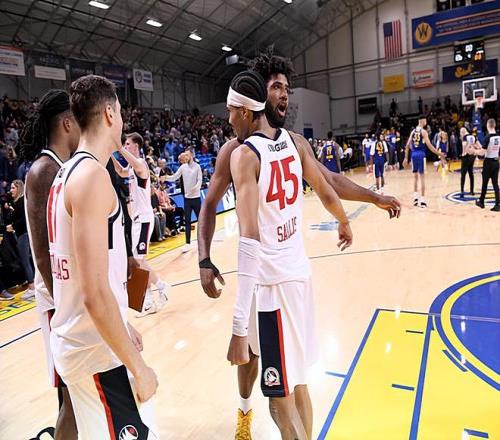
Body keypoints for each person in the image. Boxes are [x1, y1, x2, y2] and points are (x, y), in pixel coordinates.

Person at [197, 51, 401, 439]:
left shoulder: (290, 144)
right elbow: (208, 206)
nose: (284, 96)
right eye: (277, 88)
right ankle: (244, 413)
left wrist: (373, 197)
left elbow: (328, 182)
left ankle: (261, 415)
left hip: (271, 278)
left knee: (277, 381)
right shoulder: (234, 151)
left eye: (286, 89)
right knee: (255, 359)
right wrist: (204, 258)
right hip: (276, 276)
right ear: (257, 94)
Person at [226, 69, 352, 440]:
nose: (229, 119)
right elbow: (327, 190)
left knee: (278, 400)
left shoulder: (245, 156)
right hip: (299, 278)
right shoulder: (295, 143)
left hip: (272, 290)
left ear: (246, 112)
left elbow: (249, 241)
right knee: (298, 383)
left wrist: (238, 327)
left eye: (231, 111)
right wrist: (343, 221)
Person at [47, 74, 158, 439]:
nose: (122, 120)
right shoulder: (92, 177)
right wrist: (139, 367)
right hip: (94, 353)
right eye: (121, 112)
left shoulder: (66, 174)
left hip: (83, 345)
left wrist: (121, 323)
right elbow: (93, 293)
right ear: (110, 113)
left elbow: (82, 275)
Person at [19, 89, 80, 439]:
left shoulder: (61, 167)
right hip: (57, 300)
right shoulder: (44, 170)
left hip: (68, 295)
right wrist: (67, 305)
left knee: (77, 394)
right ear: (67, 123)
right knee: (71, 395)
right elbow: (43, 254)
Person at [112, 132, 169, 317]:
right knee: (139, 262)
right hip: (137, 219)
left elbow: (134, 165)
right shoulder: (131, 167)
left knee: (138, 261)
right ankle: (150, 299)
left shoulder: (141, 164)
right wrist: (110, 154)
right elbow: (121, 171)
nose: (125, 146)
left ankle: (160, 287)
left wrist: (117, 146)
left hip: (144, 218)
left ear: (136, 146)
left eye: (128, 144)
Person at [161, 150, 202, 253]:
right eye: (185, 155)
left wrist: (196, 188)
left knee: (201, 221)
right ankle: (187, 243)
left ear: (191, 155)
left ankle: (202, 241)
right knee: (187, 221)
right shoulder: (183, 167)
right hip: (187, 199)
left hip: (196, 198)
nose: (185, 157)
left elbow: (200, 180)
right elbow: (174, 177)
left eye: (187, 155)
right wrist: (166, 177)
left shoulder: (197, 167)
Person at [403, 115, 445, 208]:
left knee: (415, 177)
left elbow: (407, 145)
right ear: (422, 121)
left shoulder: (413, 131)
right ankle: (422, 201)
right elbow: (430, 146)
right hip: (421, 155)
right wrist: (440, 153)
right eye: (425, 120)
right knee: (422, 178)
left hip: (413, 155)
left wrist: (406, 158)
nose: (426, 122)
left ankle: (415, 198)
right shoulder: (423, 132)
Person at [6, 179, 35, 299]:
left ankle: (32, 287)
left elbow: (23, 220)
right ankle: (33, 285)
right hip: (22, 234)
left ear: (19, 188)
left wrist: (13, 226)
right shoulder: (17, 202)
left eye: (13, 188)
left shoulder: (22, 202)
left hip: (23, 234)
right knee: (28, 261)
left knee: (25, 262)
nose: (10, 190)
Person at [475, 119, 500, 211]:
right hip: (496, 162)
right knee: (495, 184)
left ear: (487, 125)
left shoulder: (488, 137)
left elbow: (482, 153)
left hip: (488, 163)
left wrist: (474, 151)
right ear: (494, 125)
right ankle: (498, 204)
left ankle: (481, 202)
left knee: (485, 183)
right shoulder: (498, 137)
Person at [459, 127, 482, 197]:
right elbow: (480, 146)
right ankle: (472, 191)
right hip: (472, 157)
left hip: (466, 157)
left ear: (462, 132)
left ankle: (462, 191)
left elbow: (464, 146)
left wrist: (464, 153)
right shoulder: (473, 136)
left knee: (463, 174)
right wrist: (474, 149)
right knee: (471, 173)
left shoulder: (465, 137)